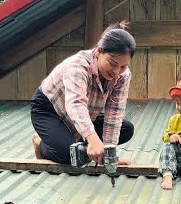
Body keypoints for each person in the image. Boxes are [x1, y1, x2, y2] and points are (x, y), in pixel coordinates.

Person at [30, 22, 136, 165]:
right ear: (99, 51)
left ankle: (76, 143)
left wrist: (108, 152)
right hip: (50, 109)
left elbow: (115, 112)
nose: (116, 71)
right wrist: (92, 139)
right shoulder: (78, 66)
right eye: (112, 63)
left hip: (85, 114)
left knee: (126, 129)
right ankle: (40, 143)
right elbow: (76, 104)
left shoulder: (123, 76)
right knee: (70, 156)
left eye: (123, 66)